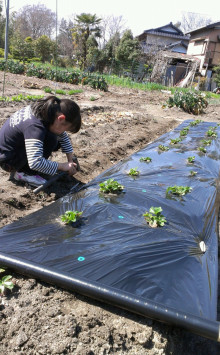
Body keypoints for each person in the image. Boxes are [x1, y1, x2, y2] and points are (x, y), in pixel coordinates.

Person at [0, 95, 81, 186]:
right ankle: (24, 173)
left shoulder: (45, 111)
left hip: (11, 150)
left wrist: (70, 160)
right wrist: (62, 166)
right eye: (65, 128)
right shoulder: (35, 127)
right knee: (52, 139)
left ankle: (27, 169)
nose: (64, 132)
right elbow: (35, 162)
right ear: (61, 118)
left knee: (54, 135)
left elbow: (63, 135)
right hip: (9, 161)